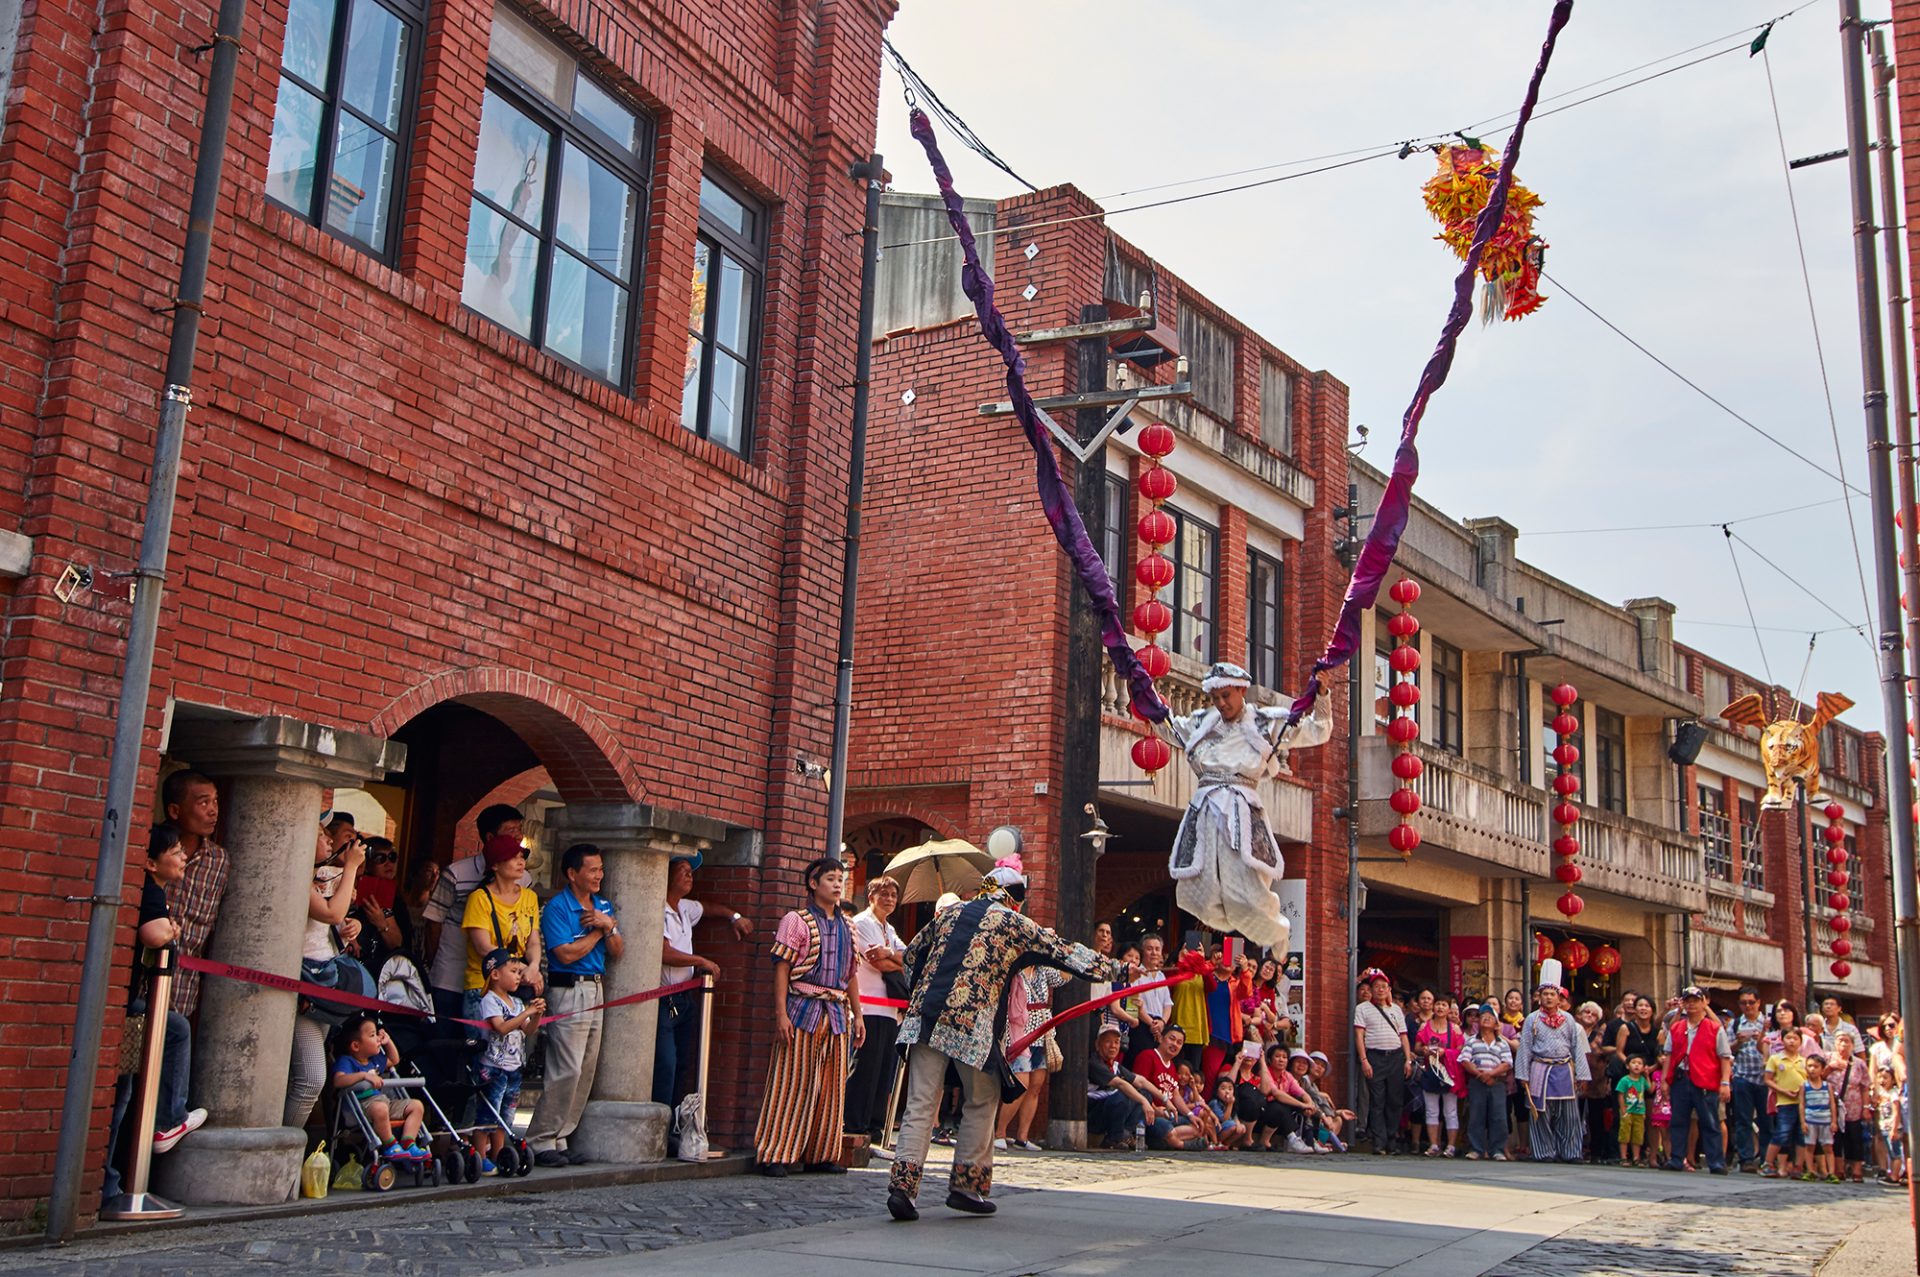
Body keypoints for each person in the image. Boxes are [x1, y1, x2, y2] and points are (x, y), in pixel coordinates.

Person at [885, 858, 1121, 1221]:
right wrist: (1117, 969)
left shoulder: (949, 914)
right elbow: (1064, 951)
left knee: (919, 1103)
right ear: (1014, 898)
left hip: (924, 1019)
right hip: (970, 1025)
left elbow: (912, 954)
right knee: (981, 1100)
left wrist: (921, 995)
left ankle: (903, 1187)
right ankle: (967, 1186)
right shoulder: (1013, 922)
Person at [1153, 660, 1332, 948]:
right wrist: (1144, 695)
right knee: (1200, 893)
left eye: (1226, 696)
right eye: (1216, 698)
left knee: (1245, 894)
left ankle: (1276, 933)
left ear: (1241, 691)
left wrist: (1322, 695)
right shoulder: (1201, 723)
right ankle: (1233, 923)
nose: (1221, 704)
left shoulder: (1266, 722)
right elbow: (1169, 729)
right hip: (1205, 809)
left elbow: (1319, 730)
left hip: (1240, 812)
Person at [102, 824, 208, 1203]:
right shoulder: (149, 892)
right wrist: (170, 929)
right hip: (123, 1002)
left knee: (124, 1093)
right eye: (175, 852)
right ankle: (167, 1120)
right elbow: (153, 933)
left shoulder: (157, 893)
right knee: (173, 1032)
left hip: (128, 999)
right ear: (149, 862)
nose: (182, 857)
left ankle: (110, 1181)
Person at [755, 857, 863, 1177]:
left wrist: (859, 1015)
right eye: (830, 878)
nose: (837, 883)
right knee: (791, 1081)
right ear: (813, 884)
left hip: (837, 1010)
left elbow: (852, 972)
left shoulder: (848, 926)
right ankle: (775, 1153)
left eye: (840, 878)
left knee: (832, 1087)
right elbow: (782, 968)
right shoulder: (796, 920)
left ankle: (821, 1153)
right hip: (802, 1006)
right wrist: (780, 1014)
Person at [527, 842, 622, 1167]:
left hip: (596, 988)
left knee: (585, 1069)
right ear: (572, 873)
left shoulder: (603, 905)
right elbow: (564, 954)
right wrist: (599, 932)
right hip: (568, 989)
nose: (599, 875)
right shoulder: (557, 907)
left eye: (600, 869)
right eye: (592, 869)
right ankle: (540, 1139)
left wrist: (607, 926)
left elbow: (619, 949)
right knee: (566, 1067)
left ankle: (561, 1135)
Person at [655, 851, 753, 1115]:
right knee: (666, 1062)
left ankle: (674, 1122)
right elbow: (663, 952)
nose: (689, 875)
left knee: (684, 1063)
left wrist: (733, 917)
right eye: (683, 869)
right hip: (662, 999)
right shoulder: (657, 907)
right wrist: (702, 961)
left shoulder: (684, 907)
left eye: (691, 871)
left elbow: (710, 908)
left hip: (684, 999)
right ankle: (658, 1120)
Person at [287, 817, 366, 1131]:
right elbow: (331, 911)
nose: (329, 841)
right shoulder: (302, 877)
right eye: (321, 833)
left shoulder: (324, 877)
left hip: (325, 978)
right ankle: (281, 1151)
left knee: (307, 1079)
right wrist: (351, 868)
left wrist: (352, 928)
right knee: (310, 1080)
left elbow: (334, 922)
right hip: (305, 982)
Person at [423, 803, 525, 1020]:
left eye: (519, 830)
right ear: (490, 837)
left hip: (495, 981)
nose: (518, 837)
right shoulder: (456, 873)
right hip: (451, 973)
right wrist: (435, 965)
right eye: (511, 831)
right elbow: (434, 922)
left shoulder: (523, 880)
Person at [845, 874, 908, 1150]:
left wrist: (889, 954)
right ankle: (854, 1126)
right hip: (867, 1006)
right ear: (871, 896)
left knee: (884, 1072)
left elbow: (913, 959)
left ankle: (874, 1128)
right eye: (884, 894)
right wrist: (894, 959)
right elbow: (877, 963)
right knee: (864, 1069)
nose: (889, 900)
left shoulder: (889, 930)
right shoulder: (862, 923)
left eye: (893, 895)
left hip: (889, 1011)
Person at [160, 769, 228, 1020]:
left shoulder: (218, 860)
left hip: (184, 988)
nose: (213, 810)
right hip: (143, 982)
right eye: (203, 802)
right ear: (175, 811)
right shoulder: (153, 848)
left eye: (216, 801)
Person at [476, 948, 544, 1175]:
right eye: (514, 971)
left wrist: (537, 1015)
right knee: (488, 1113)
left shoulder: (516, 1002)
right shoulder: (490, 1000)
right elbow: (502, 1027)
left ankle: (498, 1154)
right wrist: (527, 1013)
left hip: (514, 1066)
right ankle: (480, 1156)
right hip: (494, 1066)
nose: (518, 977)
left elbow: (528, 1031)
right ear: (495, 974)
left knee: (506, 1115)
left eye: (520, 972)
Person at [461, 833, 543, 1019]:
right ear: (495, 865)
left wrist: (534, 966)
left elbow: (533, 941)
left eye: (522, 857)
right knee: (485, 1046)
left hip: (517, 986)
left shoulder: (530, 897)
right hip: (485, 986)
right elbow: (483, 947)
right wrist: (523, 968)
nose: (520, 862)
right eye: (512, 857)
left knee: (515, 1046)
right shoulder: (480, 899)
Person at [330, 1011, 428, 1164]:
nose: (377, 1039)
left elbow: (394, 1060)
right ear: (356, 1045)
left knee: (416, 1106)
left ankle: (408, 1142)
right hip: (361, 1106)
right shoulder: (347, 1061)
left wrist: (387, 1042)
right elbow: (338, 1080)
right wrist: (363, 1076)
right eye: (372, 1035)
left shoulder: (374, 1060)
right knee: (380, 1108)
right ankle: (390, 1144)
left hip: (383, 1102)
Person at [1515, 982, 1589, 1163]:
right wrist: (1523, 1075)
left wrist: (1582, 1074)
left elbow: (1576, 1047)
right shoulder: (1532, 1019)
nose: (1548, 997)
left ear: (1559, 998)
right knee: (1540, 1112)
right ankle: (1543, 1152)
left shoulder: (1569, 1019)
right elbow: (1525, 1047)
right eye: (1545, 994)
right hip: (1540, 1068)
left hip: (1564, 1068)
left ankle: (1571, 1152)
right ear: (1540, 997)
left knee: (1570, 1114)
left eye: (1552, 994)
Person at [1662, 985, 1730, 1174]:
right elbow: (1668, 1055)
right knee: (1678, 1120)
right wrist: (1665, 1081)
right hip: (1681, 1078)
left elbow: (1725, 1057)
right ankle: (1676, 1159)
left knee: (1710, 1122)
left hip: (1706, 1080)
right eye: (1687, 1001)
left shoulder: (1715, 1028)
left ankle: (1716, 1161)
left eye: (1695, 1001)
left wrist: (1725, 1082)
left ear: (1703, 1003)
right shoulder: (1677, 1027)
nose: (1691, 1005)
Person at [1352, 968, 1411, 1154]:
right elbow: (1359, 1036)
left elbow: (1404, 1037)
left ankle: (1392, 1140)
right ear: (1370, 989)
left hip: (1395, 1057)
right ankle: (1379, 1142)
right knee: (1377, 1100)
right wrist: (1364, 1060)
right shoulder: (1362, 1009)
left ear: (1389, 989)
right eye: (1376, 986)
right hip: (1374, 1057)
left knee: (1394, 1100)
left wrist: (1408, 1060)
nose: (1380, 989)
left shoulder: (1396, 1010)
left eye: (1383, 986)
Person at [1087, 1025, 1165, 1149]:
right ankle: (1114, 1139)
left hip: (1108, 1113)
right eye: (1108, 1041)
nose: (1113, 1046)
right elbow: (1120, 1084)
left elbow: (1141, 1082)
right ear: (1098, 1044)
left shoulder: (1116, 1066)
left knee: (1145, 1093)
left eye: (1116, 1042)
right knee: (1123, 1095)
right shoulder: (1094, 1063)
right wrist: (1143, 1101)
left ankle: (1125, 1134)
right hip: (1094, 1116)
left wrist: (1166, 1100)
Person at [1459, 1002, 1512, 1161]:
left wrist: (1491, 1074)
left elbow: (1507, 1063)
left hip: (1497, 1083)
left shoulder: (1502, 1043)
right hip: (1477, 1082)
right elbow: (1465, 1060)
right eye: (1483, 1017)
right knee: (1476, 1115)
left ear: (1497, 1024)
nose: (1486, 1019)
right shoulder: (1471, 1041)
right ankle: (1477, 1149)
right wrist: (1479, 1074)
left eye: (1490, 1017)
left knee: (1499, 1117)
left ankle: (1497, 1150)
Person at [1416, 996, 1464, 1157]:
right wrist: (1424, 1050)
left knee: (1450, 1110)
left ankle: (1450, 1146)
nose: (1440, 1007)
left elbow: (1461, 1050)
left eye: (1444, 1005)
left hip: (1448, 1073)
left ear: (1449, 1009)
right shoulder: (1425, 1026)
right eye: (1438, 1004)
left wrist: (1446, 1052)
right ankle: (1434, 1145)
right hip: (1431, 1072)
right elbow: (1417, 1046)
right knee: (1431, 1110)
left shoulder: (1454, 1029)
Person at [1728, 987, 1770, 1171]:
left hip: (1765, 1078)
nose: (1748, 1006)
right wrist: (1738, 1042)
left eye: (1751, 1002)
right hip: (1742, 1076)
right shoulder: (1735, 1024)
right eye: (1743, 1003)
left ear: (1759, 1002)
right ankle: (1746, 1159)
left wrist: (1761, 1037)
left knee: (1766, 1120)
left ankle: (1767, 1158)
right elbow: (1727, 1050)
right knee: (1743, 1120)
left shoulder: (1768, 1023)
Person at [1763, 1025, 1809, 1178]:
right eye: (1788, 1038)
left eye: (1795, 1038)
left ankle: (1798, 1166)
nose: (1792, 1041)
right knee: (1782, 1133)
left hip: (1803, 1104)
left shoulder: (1804, 1061)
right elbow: (1768, 1080)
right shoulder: (1775, 1059)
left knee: (1802, 1135)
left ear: (1800, 1042)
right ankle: (1768, 1163)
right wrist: (1783, 1091)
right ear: (1782, 1040)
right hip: (1784, 1102)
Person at [1830, 1031, 1872, 1184]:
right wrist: (1830, 1067)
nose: (1843, 1044)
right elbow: (1818, 1076)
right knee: (1836, 1137)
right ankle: (1839, 1168)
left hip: (1853, 1106)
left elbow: (1865, 1086)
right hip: (1833, 1107)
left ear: (1852, 1045)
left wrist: (1866, 1107)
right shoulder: (1828, 1058)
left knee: (1854, 1137)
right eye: (1840, 1040)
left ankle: (1856, 1169)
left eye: (1847, 1041)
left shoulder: (1859, 1063)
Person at [1129, 935, 1173, 1059]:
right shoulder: (1136, 974)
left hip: (1160, 1026)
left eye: (1157, 949)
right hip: (1141, 1025)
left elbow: (1168, 1004)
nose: (1154, 953)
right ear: (1142, 951)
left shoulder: (1161, 976)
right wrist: (1152, 1024)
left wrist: (1162, 1022)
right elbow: (1133, 1003)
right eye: (1149, 949)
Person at [1802, 1054, 1836, 1182]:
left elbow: (1832, 1104)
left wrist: (1833, 1121)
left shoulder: (1828, 1086)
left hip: (1825, 1120)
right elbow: (1802, 1104)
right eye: (1809, 1066)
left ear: (1822, 1069)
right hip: (1810, 1120)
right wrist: (1802, 1121)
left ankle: (1831, 1172)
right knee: (1809, 1146)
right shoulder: (1804, 1086)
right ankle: (1810, 1171)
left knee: (1828, 1147)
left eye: (1816, 1066)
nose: (1812, 1069)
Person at [1616, 1055, 1650, 1168]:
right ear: (1627, 1065)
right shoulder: (1625, 1080)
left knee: (1638, 1135)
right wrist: (1623, 1109)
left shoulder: (1642, 1080)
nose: (1636, 1065)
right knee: (1624, 1134)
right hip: (1628, 1111)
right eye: (1633, 1062)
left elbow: (1650, 1089)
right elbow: (1620, 1095)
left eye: (1639, 1063)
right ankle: (1623, 1157)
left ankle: (1636, 1157)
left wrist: (1647, 1075)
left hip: (1639, 1112)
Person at [1210, 1075, 1252, 1150]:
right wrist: (1230, 1104)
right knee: (1233, 1126)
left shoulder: (1231, 1103)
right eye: (1223, 1088)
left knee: (1242, 1128)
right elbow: (1224, 1119)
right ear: (1217, 1091)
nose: (1227, 1091)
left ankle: (1226, 1144)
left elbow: (1234, 1116)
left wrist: (1238, 1124)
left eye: (1230, 1089)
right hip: (1216, 1128)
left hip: (1226, 1126)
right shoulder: (1215, 1103)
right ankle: (1217, 1142)